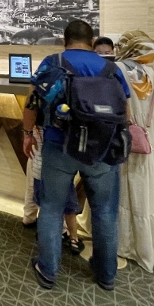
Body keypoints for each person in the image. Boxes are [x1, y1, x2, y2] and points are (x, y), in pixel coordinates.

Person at [22, 20, 130, 291]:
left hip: (59, 145)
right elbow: (124, 111)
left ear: (64, 40)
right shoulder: (110, 68)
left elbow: (32, 102)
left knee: (52, 208)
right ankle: (106, 274)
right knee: (105, 212)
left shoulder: (53, 62)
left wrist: (27, 133)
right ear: (92, 43)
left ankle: (48, 270)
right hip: (101, 150)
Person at [114, 31, 154, 272]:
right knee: (145, 188)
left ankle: (124, 243)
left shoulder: (118, 70)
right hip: (149, 134)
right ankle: (144, 245)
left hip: (126, 132)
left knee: (125, 186)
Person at [22, 130, 85, 255]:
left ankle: (40, 229)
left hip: (39, 166)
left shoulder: (39, 125)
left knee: (44, 202)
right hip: (61, 167)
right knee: (67, 205)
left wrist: (28, 134)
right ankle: (73, 238)